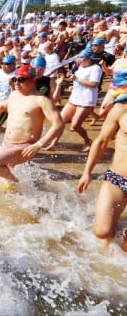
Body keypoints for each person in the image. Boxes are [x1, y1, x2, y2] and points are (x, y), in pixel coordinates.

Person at [0, 65, 64, 184]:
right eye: (15, 79)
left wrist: (38, 145)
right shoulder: (15, 94)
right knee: (1, 174)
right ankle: (20, 189)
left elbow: (58, 125)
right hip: (6, 144)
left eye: (21, 79)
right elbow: (4, 106)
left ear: (32, 80)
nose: (16, 83)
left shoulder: (41, 100)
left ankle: (18, 184)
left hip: (25, 147)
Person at [77, 73, 127, 251]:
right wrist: (87, 172)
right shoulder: (121, 109)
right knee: (102, 232)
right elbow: (101, 141)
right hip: (117, 178)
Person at [49, 49, 103, 151]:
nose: (78, 59)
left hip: (86, 100)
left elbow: (94, 84)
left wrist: (77, 79)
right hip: (74, 98)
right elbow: (77, 80)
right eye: (78, 57)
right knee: (60, 121)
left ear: (89, 58)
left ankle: (87, 140)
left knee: (75, 125)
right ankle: (53, 144)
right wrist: (73, 85)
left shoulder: (95, 69)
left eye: (81, 57)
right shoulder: (79, 67)